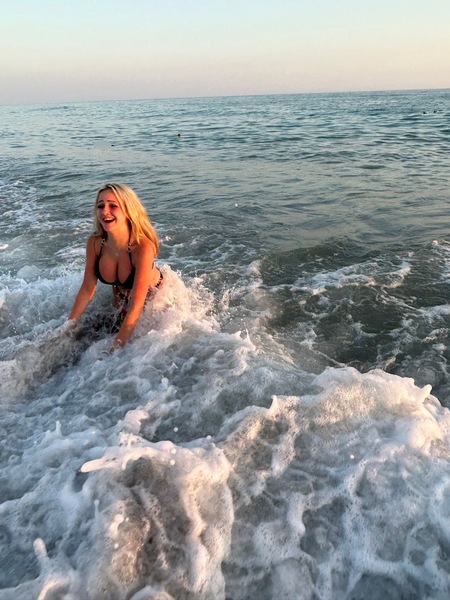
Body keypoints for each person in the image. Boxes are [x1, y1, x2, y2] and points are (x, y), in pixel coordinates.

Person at [68, 183, 163, 350]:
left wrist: (115, 350)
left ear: (128, 211)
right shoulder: (96, 243)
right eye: (100, 206)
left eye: (113, 206)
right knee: (82, 339)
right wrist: (68, 328)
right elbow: (87, 289)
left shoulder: (142, 248)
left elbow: (136, 305)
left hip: (157, 304)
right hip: (122, 303)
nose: (105, 211)